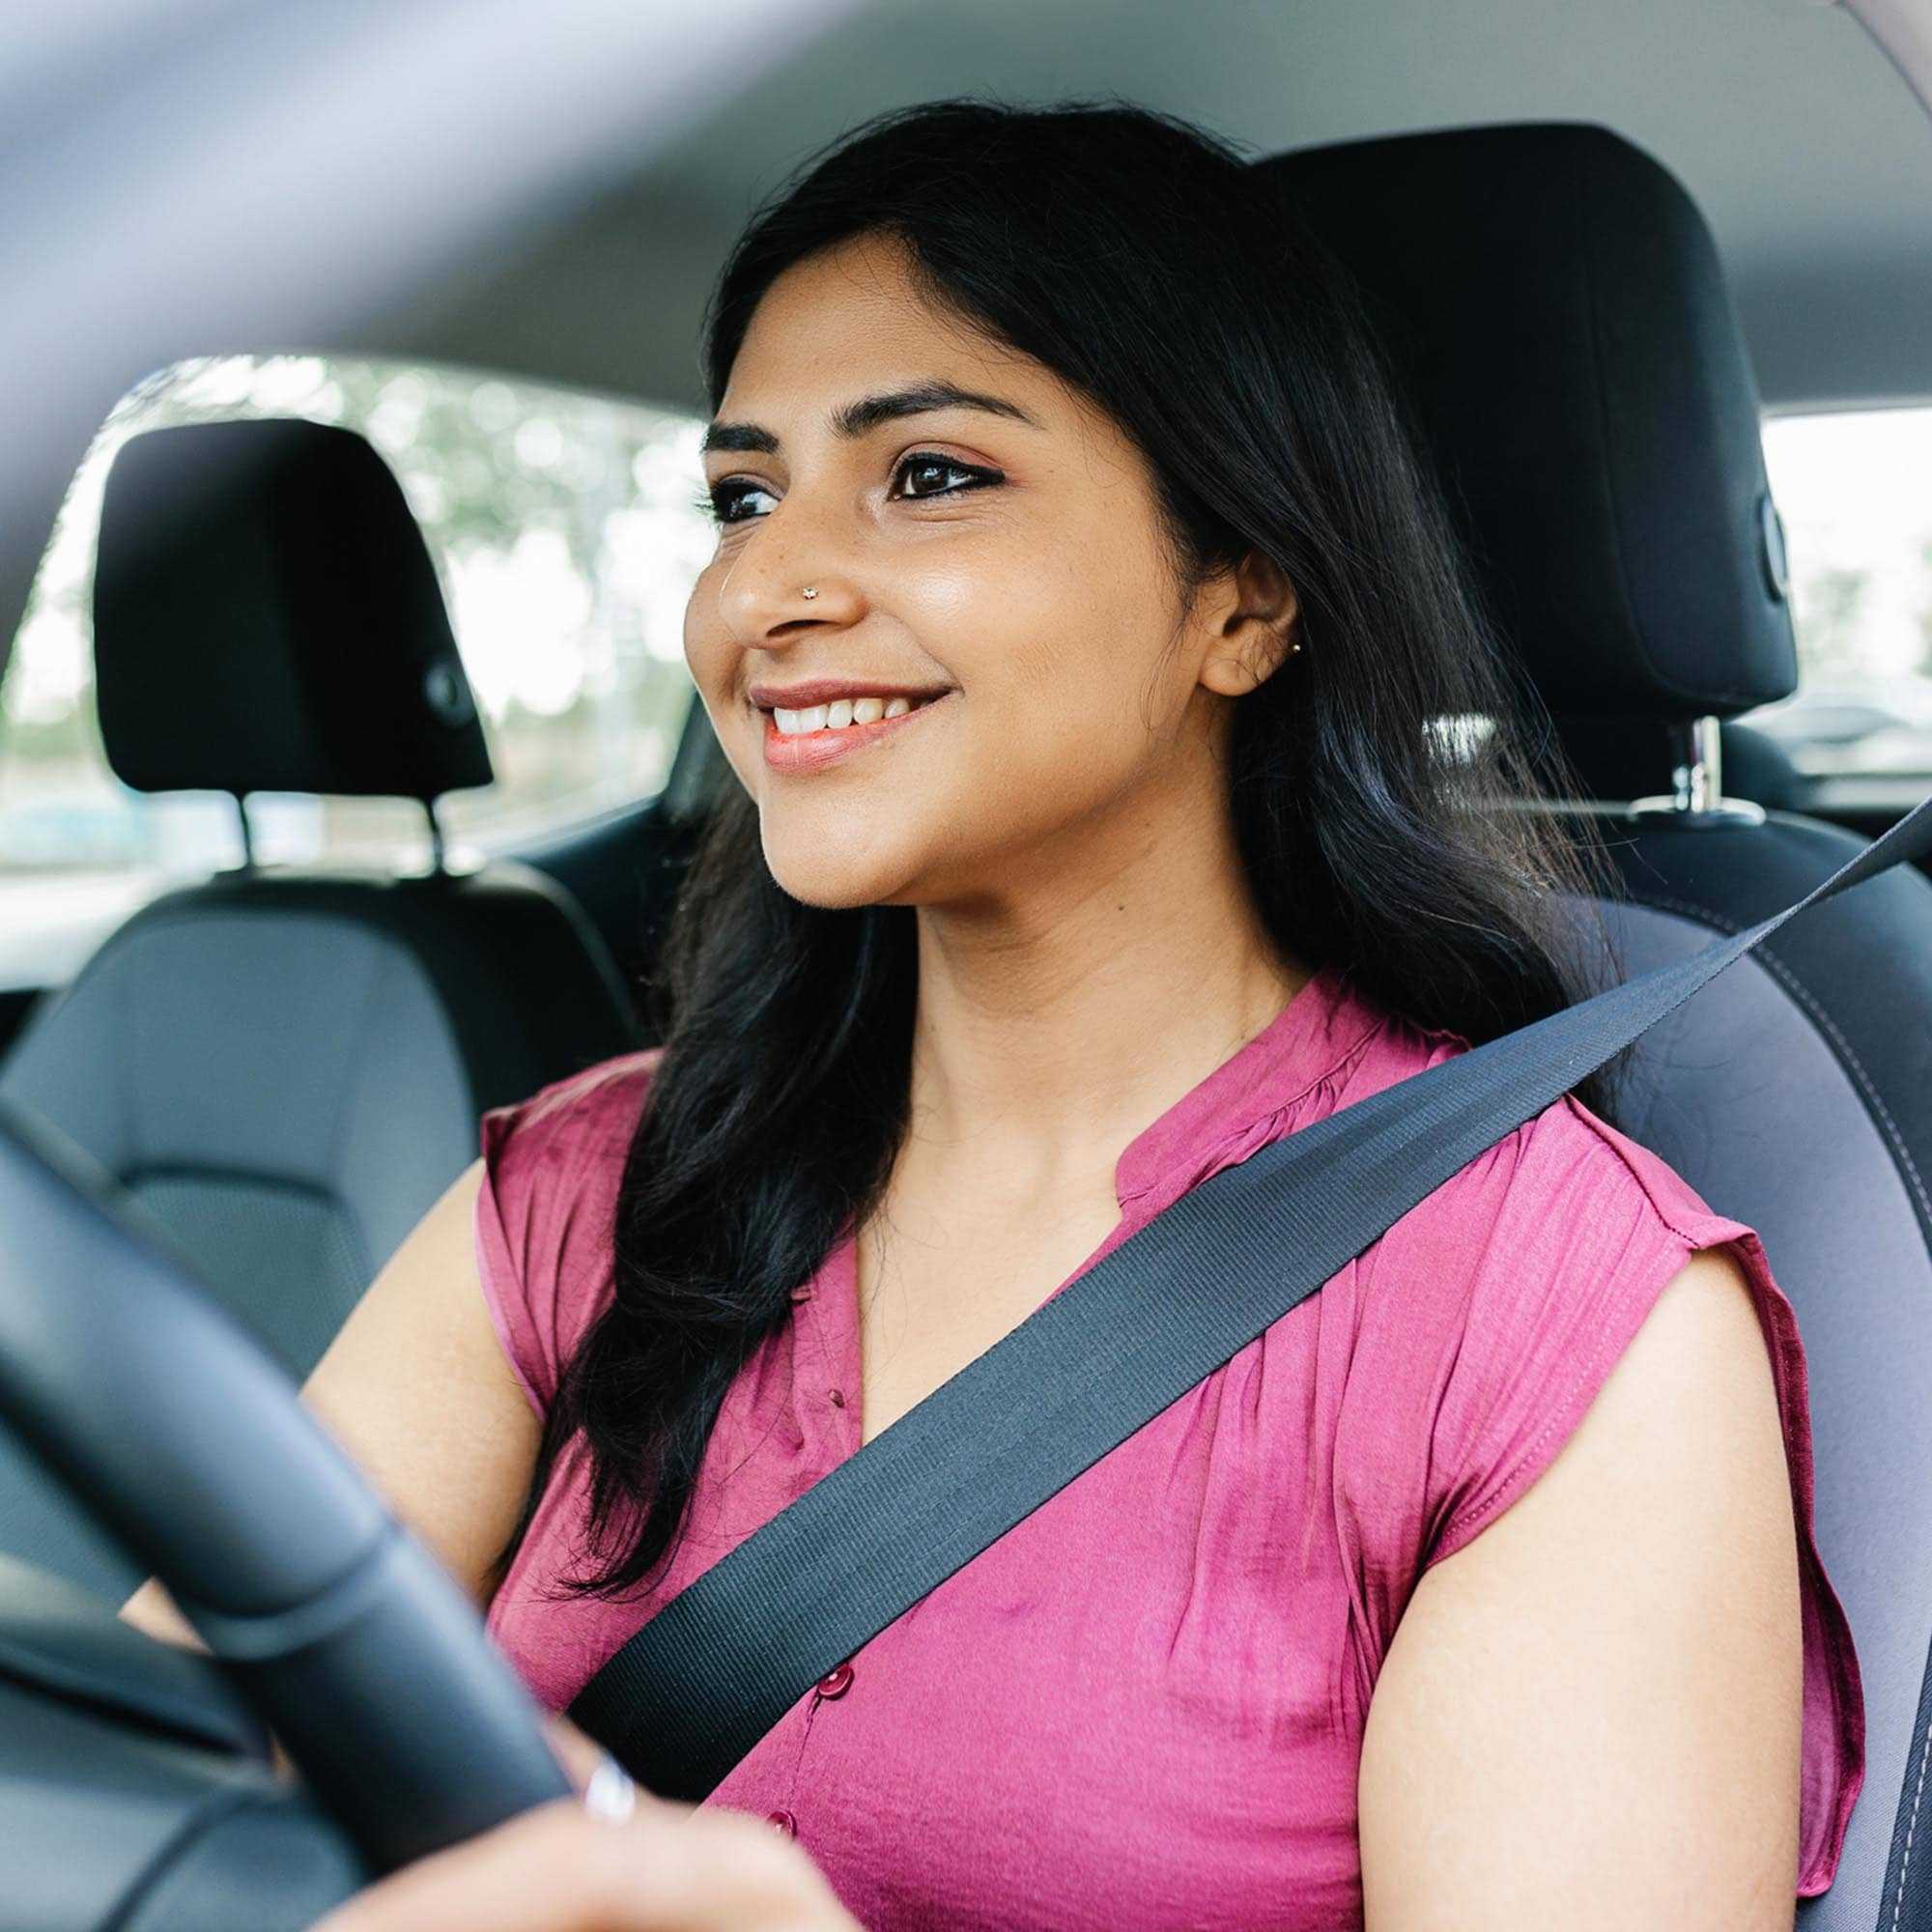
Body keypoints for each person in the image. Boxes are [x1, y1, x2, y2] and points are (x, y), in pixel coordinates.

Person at [129, 97, 1864, 1928]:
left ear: (1247, 595)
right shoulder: (592, 1189)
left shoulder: (1553, 1317)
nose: (766, 593)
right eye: (741, 497)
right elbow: (140, 1775)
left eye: (932, 474)